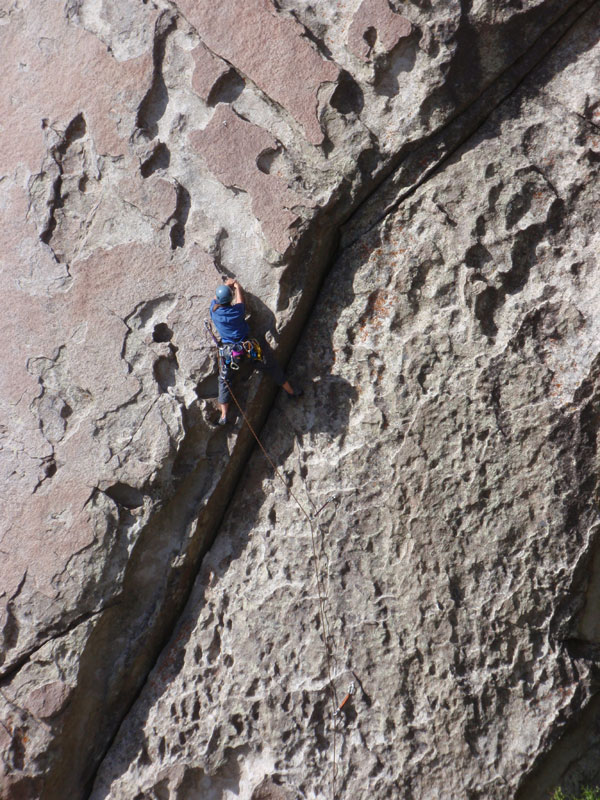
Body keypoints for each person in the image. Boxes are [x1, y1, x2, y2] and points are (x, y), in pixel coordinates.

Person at [209, 278, 302, 425]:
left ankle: (224, 415)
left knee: (224, 380)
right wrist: (237, 287)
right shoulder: (236, 312)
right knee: (271, 366)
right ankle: (291, 391)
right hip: (248, 349)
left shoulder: (214, 312)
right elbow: (241, 302)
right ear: (230, 299)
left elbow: (216, 299)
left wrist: (225, 286)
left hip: (230, 354)